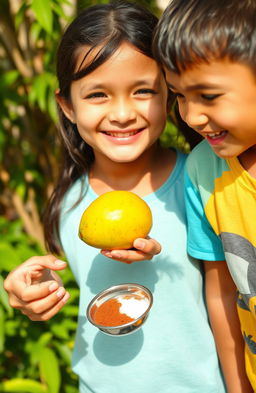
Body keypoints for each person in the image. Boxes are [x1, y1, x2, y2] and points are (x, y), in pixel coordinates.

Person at [3, 1, 237, 392]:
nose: (123, 113)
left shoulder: (203, 180)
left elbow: (229, 299)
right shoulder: (69, 200)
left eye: (143, 90)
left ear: (169, 94)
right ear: (67, 106)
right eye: (98, 95)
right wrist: (33, 293)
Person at [153, 0, 256, 391]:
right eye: (179, 95)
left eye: (209, 96)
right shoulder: (203, 169)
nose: (192, 117)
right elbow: (223, 293)